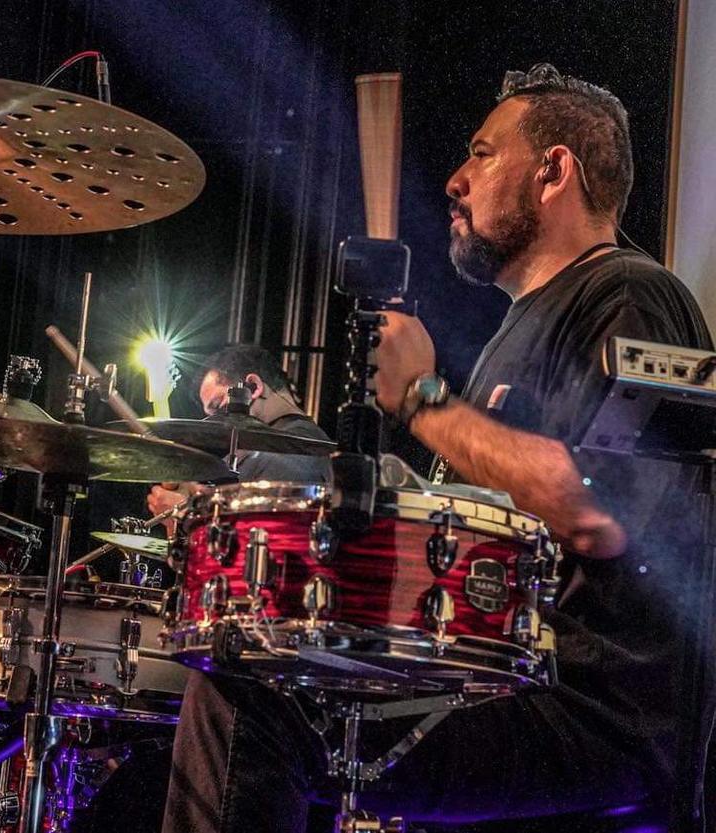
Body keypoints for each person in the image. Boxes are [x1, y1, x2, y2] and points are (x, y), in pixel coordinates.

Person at [160, 63, 713, 832]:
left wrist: (424, 399)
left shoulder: (630, 295)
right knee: (243, 655)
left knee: (250, 695)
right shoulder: (519, 327)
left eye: (482, 154)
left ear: (554, 170)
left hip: (588, 714)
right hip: (503, 684)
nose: (455, 179)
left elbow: (596, 513)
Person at [146, 343, 331, 519]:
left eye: (218, 406)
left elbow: (253, 533)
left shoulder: (294, 452)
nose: (214, 422)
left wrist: (185, 514)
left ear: (253, 387)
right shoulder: (258, 450)